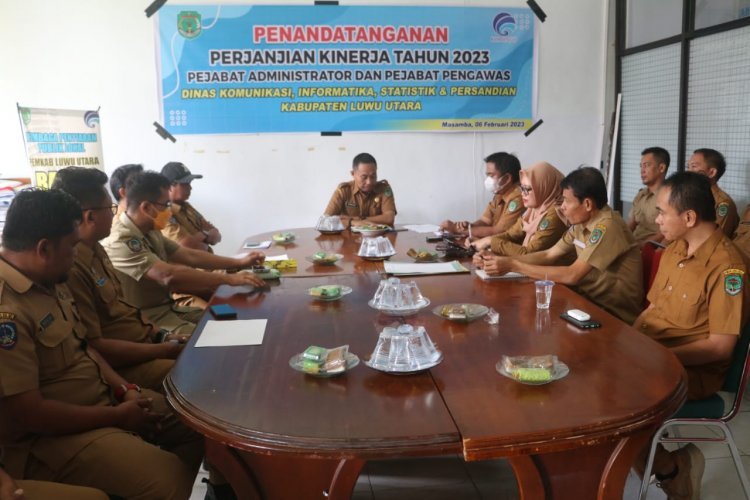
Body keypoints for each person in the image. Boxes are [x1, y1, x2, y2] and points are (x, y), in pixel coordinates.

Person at [0, 189, 203, 499]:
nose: (75, 255)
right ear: (43, 248)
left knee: (195, 424)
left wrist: (125, 391)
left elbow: (85, 347)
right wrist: (118, 417)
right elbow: (30, 415)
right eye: (71, 248)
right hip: (48, 436)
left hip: (102, 400)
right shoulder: (8, 310)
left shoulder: (47, 279)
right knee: (167, 480)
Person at [633, 171, 748, 498]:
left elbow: (720, 347)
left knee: (615, 406)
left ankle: (672, 468)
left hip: (691, 372)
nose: (656, 219)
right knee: (593, 378)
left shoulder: (727, 267)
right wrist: (625, 344)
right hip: (651, 358)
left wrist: (654, 356)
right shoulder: (674, 249)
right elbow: (650, 312)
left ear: (689, 216)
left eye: (661, 212)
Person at [51, 167, 185, 392]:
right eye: (110, 208)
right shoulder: (73, 267)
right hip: (126, 365)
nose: (114, 214)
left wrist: (163, 336)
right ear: (90, 216)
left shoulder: (96, 250)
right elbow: (96, 346)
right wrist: (163, 349)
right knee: (196, 371)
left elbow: (125, 309)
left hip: (147, 343)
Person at [474, 167, 643, 324]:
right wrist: (498, 260)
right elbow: (549, 254)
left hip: (612, 315)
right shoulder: (581, 223)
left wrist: (512, 265)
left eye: (566, 202)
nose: (562, 207)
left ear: (587, 204)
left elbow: (572, 275)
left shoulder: (606, 226)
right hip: (584, 302)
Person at [102, 171, 266, 322]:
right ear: (146, 207)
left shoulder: (150, 230)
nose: (169, 210)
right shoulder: (120, 239)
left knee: (231, 320)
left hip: (169, 308)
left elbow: (189, 255)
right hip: (148, 318)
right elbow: (167, 274)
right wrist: (229, 279)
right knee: (217, 335)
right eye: (166, 204)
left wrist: (240, 263)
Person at [468, 161, 568, 256]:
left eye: (527, 189)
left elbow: (530, 253)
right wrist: (482, 241)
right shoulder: (532, 210)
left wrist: (490, 241)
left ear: (544, 187)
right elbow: (511, 235)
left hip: (548, 272)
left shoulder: (556, 214)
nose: (522, 193)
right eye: (522, 188)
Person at [441, 152, 523, 239]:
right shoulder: (500, 193)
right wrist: (469, 226)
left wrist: (457, 230)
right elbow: (485, 221)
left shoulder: (519, 198)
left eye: (491, 175)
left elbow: (498, 232)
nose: (488, 180)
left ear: (507, 178)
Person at [160, 162, 221, 253]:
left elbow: (217, 235)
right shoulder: (162, 212)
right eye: (185, 183)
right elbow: (185, 246)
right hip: (189, 266)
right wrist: (206, 237)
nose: (190, 188)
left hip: (207, 262)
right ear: (169, 186)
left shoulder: (186, 207)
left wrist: (202, 237)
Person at [323, 152, 397, 227]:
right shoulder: (343, 191)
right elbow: (325, 221)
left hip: (379, 237)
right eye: (364, 177)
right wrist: (352, 222)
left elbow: (389, 218)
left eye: (373, 176)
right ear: (353, 174)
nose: (369, 182)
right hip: (348, 237)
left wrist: (357, 219)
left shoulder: (384, 189)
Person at [686, 148, 739, 237]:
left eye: (694, 166)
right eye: (688, 167)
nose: (688, 171)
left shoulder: (723, 203)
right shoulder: (690, 196)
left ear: (712, 172)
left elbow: (715, 238)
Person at [628, 146, 669, 244]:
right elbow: (630, 225)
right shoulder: (641, 194)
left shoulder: (669, 196)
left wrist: (640, 246)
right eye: (641, 166)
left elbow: (664, 234)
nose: (642, 170)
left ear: (661, 168)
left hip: (651, 248)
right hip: (634, 245)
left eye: (646, 165)